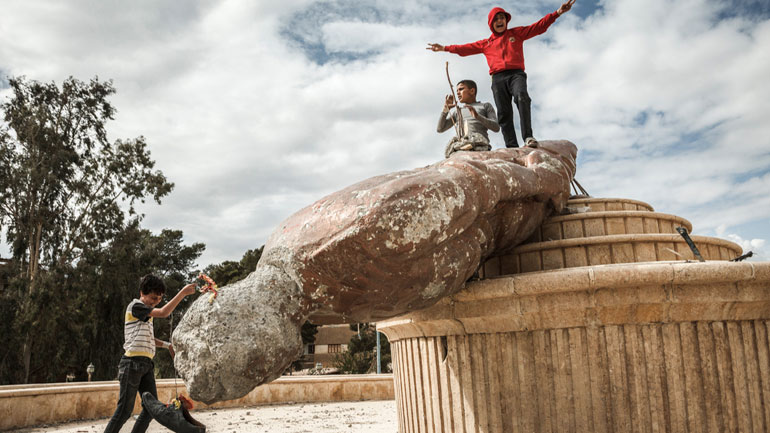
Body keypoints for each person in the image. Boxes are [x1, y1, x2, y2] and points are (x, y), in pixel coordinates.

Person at [427, 0, 575, 148]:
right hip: (498, 78)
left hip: (516, 74)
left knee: (522, 96)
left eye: (502, 18)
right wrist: (444, 48)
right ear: (491, 23)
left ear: (506, 21)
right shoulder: (486, 43)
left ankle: (528, 136)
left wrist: (557, 13)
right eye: (496, 19)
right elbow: (465, 49)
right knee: (504, 112)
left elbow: (538, 27)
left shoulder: (516, 34)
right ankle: (511, 145)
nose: (500, 21)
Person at [104, 275, 198, 433]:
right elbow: (163, 312)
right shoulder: (136, 306)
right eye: (153, 298)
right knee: (124, 411)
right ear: (142, 293)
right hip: (131, 364)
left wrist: (167, 345)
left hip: (146, 365)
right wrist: (182, 293)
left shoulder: (146, 315)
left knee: (150, 410)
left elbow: (148, 338)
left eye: (159, 299)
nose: (156, 302)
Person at [438, 79, 500, 158]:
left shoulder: (485, 106)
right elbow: (440, 129)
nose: (457, 92)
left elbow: (496, 127)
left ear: (472, 91)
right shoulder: (458, 112)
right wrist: (445, 110)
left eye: (461, 89)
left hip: (479, 146)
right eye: (456, 90)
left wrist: (478, 117)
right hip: (461, 147)